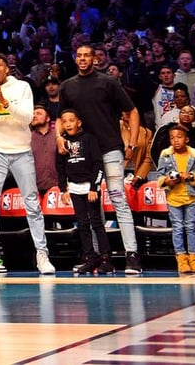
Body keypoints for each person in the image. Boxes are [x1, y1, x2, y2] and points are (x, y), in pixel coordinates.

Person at [0, 53, 56, 277]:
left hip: (21, 150)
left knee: (32, 203)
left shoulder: (22, 87)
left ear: (7, 69)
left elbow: (27, 118)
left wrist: (4, 102)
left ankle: (42, 254)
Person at [58, 44, 143, 274]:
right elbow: (60, 117)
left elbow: (132, 111)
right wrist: (58, 137)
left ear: (95, 59)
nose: (83, 59)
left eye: (87, 55)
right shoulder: (67, 86)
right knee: (91, 205)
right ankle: (98, 256)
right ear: (76, 59)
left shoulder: (108, 82)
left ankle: (132, 254)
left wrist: (132, 142)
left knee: (118, 198)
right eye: (80, 56)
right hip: (83, 154)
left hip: (110, 148)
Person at [56, 109, 113, 275]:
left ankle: (106, 259)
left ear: (79, 122)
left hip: (90, 188)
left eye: (71, 120)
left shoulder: (89, 139)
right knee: (82, 224)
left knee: (96, 223)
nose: (68, 124)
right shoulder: (62, 142)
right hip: (73, 188)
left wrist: (94, 187)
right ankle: (90, 257)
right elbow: (60, 167)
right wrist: (63, 189)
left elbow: (97, 164)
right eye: (64, 121)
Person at [157, 125, 195, 273]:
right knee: (177, 228)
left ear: (187, 139)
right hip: (173, 198)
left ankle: (194, 258)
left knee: (190, 227)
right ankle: (181, 258)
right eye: (172, 138)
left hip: (190, 197)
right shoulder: (165, 155)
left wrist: (191, 176)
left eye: (179, 137)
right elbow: (160, 176)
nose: (175, 141)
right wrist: (167, 181)